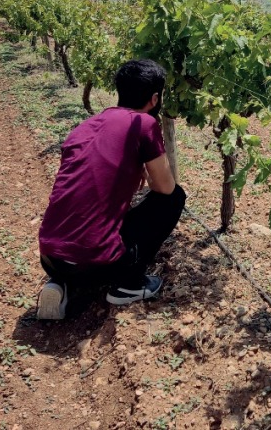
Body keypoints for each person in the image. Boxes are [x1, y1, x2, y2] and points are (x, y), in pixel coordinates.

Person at [36, 58, 186, 320]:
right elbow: (164, 187)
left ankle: (61, 284)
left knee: (84, 236)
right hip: (95, 262)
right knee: (174, 198)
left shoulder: (85, 127)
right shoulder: (144, 124)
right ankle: (129, 284)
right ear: (154, 98)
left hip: (50, 256)